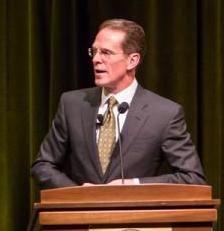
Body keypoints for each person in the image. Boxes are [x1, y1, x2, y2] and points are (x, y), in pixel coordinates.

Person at [31, 19, 206, 189]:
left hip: (134, 216)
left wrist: (134, 185)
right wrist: (79, 194)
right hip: (81, 216)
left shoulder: (164, 113)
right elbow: (43, 166)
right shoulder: (72, 104)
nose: (96, 59)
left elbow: (192, 178)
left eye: (106, 52)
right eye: (94, 52)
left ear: (132, 60)